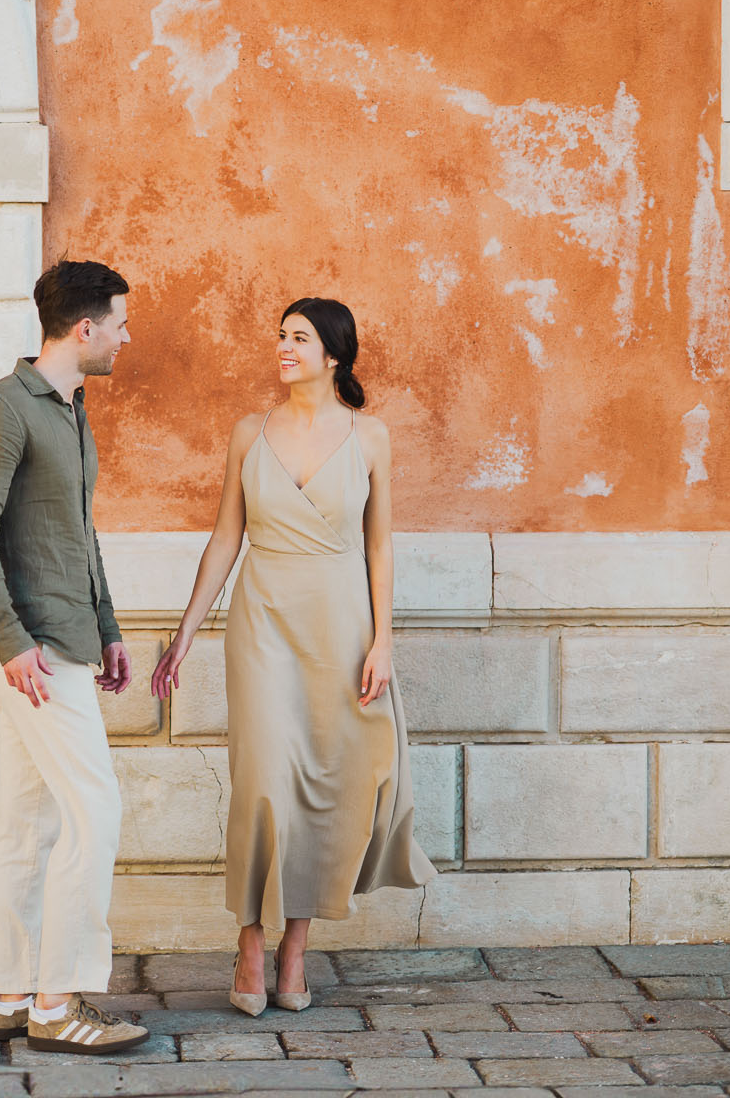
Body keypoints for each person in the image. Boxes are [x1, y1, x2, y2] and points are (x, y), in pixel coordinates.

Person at [150, 297, 434, 1016]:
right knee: (265, 783)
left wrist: (384, 640)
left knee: (326, 786)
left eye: (299, 338)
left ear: (333, 354)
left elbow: (380, 543)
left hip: (340, 627)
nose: (283, 346)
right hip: (263, 622)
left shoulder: (370, 437)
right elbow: (224, 539)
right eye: (280, 335)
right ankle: (249, 941)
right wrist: (185, 632)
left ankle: (295, 949)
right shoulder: (250, 431)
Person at [0, 259, 150, 1055]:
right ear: (84, 327)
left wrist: (108, 626)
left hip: (64, 637)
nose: (127, 338)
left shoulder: (71, 407)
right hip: (30, 648)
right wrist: (16, 639)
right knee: (94, 812)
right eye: (121, 324)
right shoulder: (2, 410)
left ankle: (11, 993)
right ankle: (59, 1004)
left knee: (25, 823)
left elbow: (78, 531)